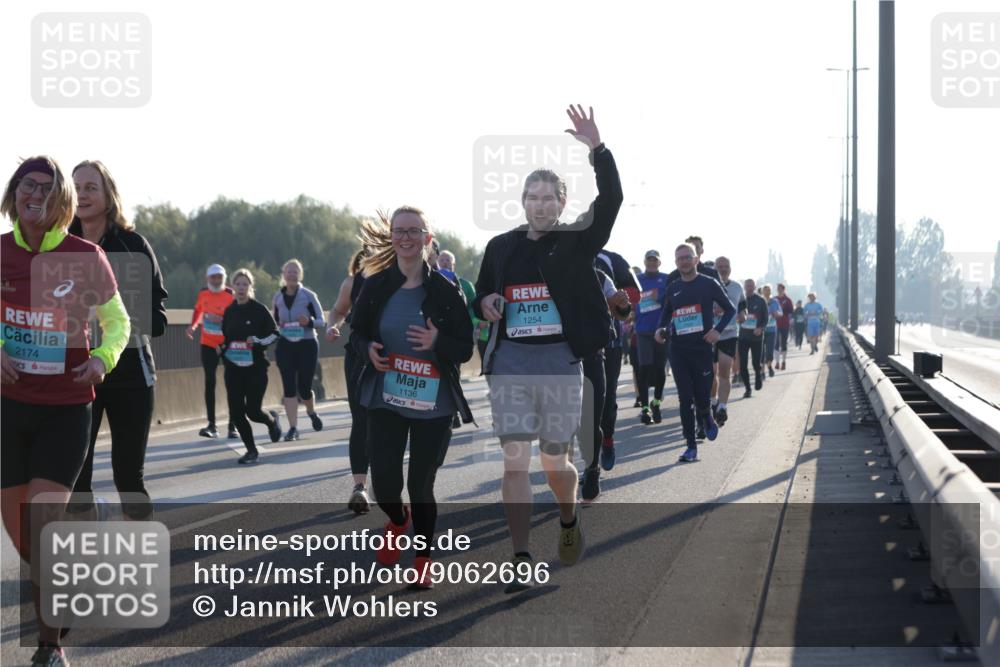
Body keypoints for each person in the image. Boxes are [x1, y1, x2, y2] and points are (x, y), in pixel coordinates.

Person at [472, 105, 621, 588]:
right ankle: (518, 556)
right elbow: (481, 297)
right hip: (511, 361)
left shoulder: (578, 241)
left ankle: (568, 518)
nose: (539, 205)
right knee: (515, 457)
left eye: (548, 198)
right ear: (522, 201)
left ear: (561, 203)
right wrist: (488, 301)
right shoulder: (500, 247)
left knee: (554, 461)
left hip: (560, 361)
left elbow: (613, 199)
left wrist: (598, 149)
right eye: (532, 197)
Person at [1, 156, 131, 667]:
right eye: (25, 185)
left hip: (65, 410)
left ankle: (49, 648)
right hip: (9, 411)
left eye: (46, 187)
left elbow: (117, 323)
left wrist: (102, 358)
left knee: (44, 522)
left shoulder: (85, 256)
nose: (35, 193)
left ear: (62, 202)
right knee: (29, 546)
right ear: (14, 195)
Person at [350, 207, 474, 589]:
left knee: (421, 485)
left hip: (432, 403)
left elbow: (466, 347)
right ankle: (398, 520)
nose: (406, 238)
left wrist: (438, 342)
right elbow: (356, 334)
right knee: (386, 484)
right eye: (399, 231)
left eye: (414, 231)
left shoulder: (445, 291)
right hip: (387, 396)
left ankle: (422, 559)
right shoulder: (375, 285)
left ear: (427, 239)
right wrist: (368, 347)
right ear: (391, 238)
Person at [67, 160, 168, 522]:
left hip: (130, 372)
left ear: (108, 195)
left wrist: (113, 317)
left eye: (91, 187)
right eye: (76, 187)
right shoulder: (60, 247)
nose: (82, 194)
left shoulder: (132, 245)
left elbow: (158, 320)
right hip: (76, 374)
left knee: (129, 480)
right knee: (75, 484)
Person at [654, 243, 735, 463]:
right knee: (684, 399)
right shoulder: (673, 287)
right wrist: (660, 330)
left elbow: (730, 309)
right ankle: (690, 446)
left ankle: (706, 413)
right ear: (676, 261)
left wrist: (716, 331)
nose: (684, 261)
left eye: (688, 257)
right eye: (680, 258)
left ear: (696, 259)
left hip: (702, 349)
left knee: (701, 396)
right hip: (678, 350)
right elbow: (665, 314)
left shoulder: (708, 284)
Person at [218, 268, 282, 464]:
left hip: (256, 369)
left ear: (250, 287)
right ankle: (251, 450)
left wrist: (259, 341)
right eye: (237, 284)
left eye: (245, 284)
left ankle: (271, 421)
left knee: (253, 411)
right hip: (233, 369)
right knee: (237, 412)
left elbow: (275, 334)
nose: (241, 288)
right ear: (233, 287)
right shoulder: (229, 311)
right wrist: (223, 348)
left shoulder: (259, 309)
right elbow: (226, 338)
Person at [327, 248, 371, 514]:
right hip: (357, 355)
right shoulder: (352, 283)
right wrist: (334, 325)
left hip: (390, 356)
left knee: (384, 421)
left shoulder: (400, 279)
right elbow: (338, 310)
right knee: (360, 418)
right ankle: (359, 487)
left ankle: (390, 485)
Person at [272, 259, 326, 441]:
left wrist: (309, 322)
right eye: (288, 271)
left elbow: (322, 321)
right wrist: (277, 326)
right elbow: (275, 322)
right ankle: (293, 428)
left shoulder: (309, 296)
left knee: (304, 388)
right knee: (288, 387)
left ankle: (311, 412)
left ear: (300, 275)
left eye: (295, 272)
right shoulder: (277, 297)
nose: (291, 275)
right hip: (286, 345)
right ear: (283, 275)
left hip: (307, 344)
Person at [187, 264, 237, 439]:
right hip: (207, 343)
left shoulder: (230, 295)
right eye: (213, 277)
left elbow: (237, 316)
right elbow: (198, 310)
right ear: (208, 279)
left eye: (219, 277)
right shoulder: (203, 294)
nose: (216, 280)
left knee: (232, 384)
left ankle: (233, 425)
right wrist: (192, 327)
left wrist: (222, 318)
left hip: (227, 344)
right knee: (210, 381)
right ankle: (212, 425)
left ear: (224, 278)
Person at [437, 249, 480, 429]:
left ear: (453, 264)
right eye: (442, 260)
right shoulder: (432, 282)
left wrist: (471, 324)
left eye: (448, 260)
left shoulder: (465, 285)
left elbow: (474, 306)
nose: (445, 262)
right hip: (437, 335)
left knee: (453, 372)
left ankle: (454, 411)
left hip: (457, 337)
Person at [634, 249, 670, 424]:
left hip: (660, 331)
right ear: (644, 261)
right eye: (649, 260)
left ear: (659, 263)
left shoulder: (666, 279)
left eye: (655, 260)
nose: (652, 263)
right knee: (644, 369)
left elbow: (671, 301)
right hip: (642, 331)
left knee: (659, 368)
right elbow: (630, 301)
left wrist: (660, 297)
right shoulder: (637, 280)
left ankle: (656, 403)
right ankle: (645, 409)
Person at [710, 256, 744, 427]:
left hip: (729, 334)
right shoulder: (708, 284)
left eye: (726, 266)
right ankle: (713, 402)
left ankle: (722, 407)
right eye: (720, 266)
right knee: (710, 373)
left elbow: (742, 306)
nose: (723, 269)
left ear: (730, 268)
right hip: (709, 334)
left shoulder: (737, 287)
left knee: (724, 372)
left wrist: (742, 315)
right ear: (715, 268)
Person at [737, 279, 769, 397]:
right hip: (743, 337)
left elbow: (766, 318)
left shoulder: (761, 301)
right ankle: (748, 389)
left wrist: (760, 328)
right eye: (747, 286)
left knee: (756, 363)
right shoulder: (740, 300)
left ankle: (758, 375)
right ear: (744, 287)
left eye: (751, 285)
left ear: (755, 286)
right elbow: (734, 315)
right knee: (743, 364)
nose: (749, 287)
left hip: (757, 337)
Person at [773, 283, 794, 370]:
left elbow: (791, 311)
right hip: (775, 324)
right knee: (776, 343)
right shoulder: (774, 299)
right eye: (777, 288)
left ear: (783, 289)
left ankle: (784, 362)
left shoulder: (788, 300)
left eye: (780, 288)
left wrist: (790, 320)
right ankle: (777, 362)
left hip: (785, 323)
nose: (779, 290)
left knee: (784, 343)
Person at [762, 284, 778, 377]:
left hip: (771, 329)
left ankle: (769, 366)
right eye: (765, 290)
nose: (767, 291)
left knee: (769, 351)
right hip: (761, 329)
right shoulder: (760, 301)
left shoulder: (774, 302)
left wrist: (776, 313)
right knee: (761, 352)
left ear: (771, 291)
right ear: (762, 291)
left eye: (768, 290)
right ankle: (762, 372)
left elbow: (780, 313)